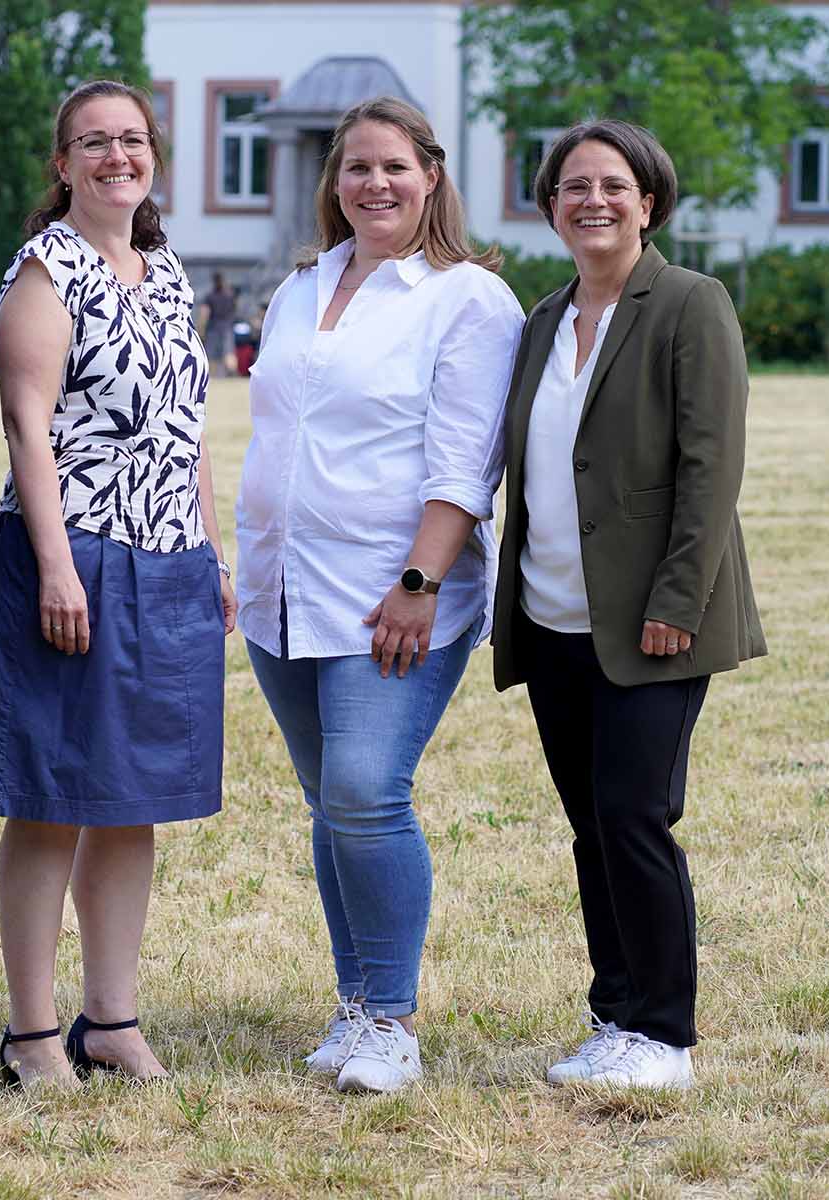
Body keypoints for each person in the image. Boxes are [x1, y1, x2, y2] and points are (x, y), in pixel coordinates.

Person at [0, 80, 234, 1090]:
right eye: (93, 143)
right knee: (53, 799)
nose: (118, 155)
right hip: (72, 559)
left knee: (132, 800)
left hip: (168, 562)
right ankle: (31, 1033)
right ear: (63, 165)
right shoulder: (45, 271)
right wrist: (59, 567)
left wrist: (211, 547)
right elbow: (28, 426)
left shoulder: (165, 274)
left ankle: (111, 1019)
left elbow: (186, 426)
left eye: (133, 139)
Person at [233, 96, 523, 1094]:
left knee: (365, 790)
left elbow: (464, 464)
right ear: (334, 182)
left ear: (431, 176)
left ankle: (392, 1020)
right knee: (329, 804)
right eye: (356, 168)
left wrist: (418, 583)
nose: (375, 185)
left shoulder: (464, 300)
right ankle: (354, 1005)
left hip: (391, 596)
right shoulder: (302, 287)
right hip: (281, 593)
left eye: (395, 167)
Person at [491, 119, 765, 1090]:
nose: (592, 201)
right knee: (590, 827)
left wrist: (679, 599)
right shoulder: (541, 320)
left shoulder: (691, 304)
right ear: (550, 207)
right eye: (572, 187)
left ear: (649, 202)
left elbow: (711, 465)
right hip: (553, 615)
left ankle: (665, 1036)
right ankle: (615, 1019)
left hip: (654, 619)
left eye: (613, 185)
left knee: (635, 816)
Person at [201, 272, 237, 376]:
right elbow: (234, 310)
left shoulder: (210, 296)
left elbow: (204, 314)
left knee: (211, 356)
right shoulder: (230, 296)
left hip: (213, 328)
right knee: (229, 353)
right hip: (227, 327)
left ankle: (212, 379)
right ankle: (232, 376)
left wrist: (201, 330)